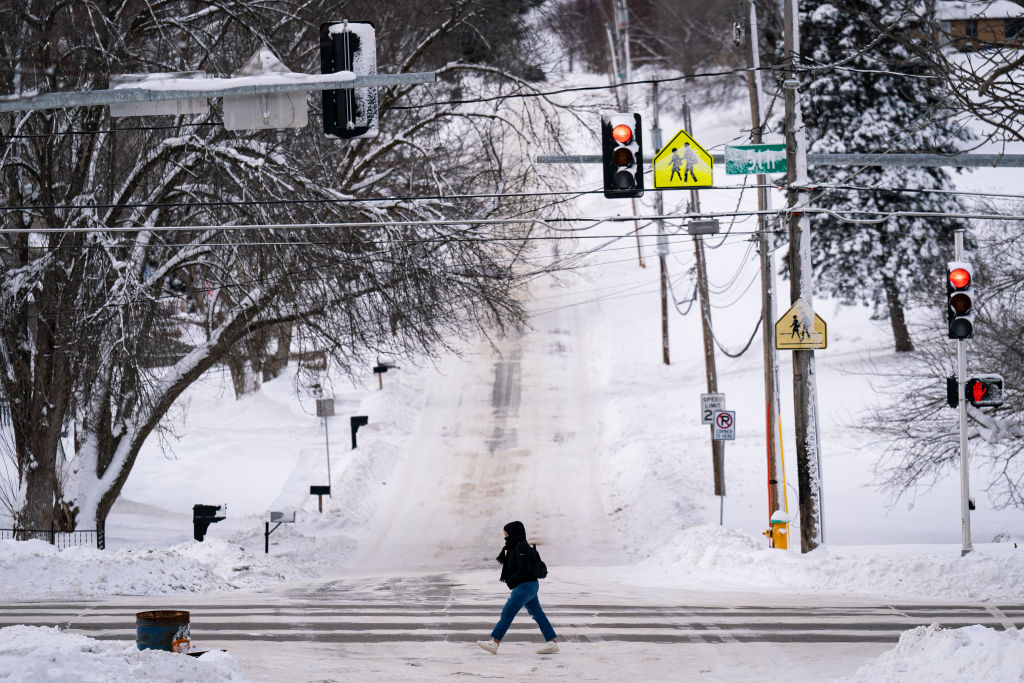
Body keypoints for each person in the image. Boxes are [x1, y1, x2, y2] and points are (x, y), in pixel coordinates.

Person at [476, 521, 559, 655]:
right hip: (531, 585)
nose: (505, 537)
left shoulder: (521, 548)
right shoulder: (518, 546)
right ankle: (551, 641)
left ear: (514, 533)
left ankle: (494, 642)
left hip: (525, 586)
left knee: (507, 612)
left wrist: (511, 580)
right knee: (537, 614)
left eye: (507, 534)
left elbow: (524, 569)